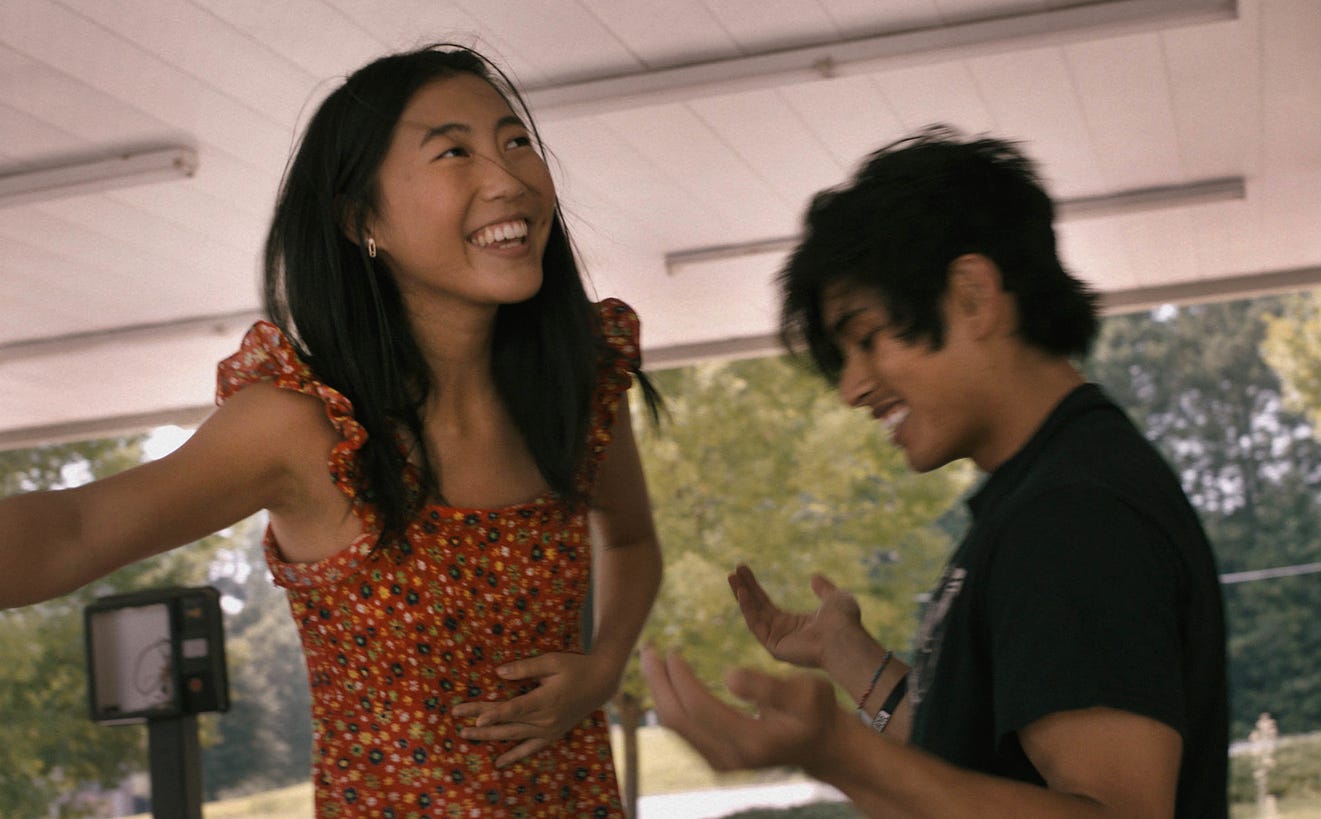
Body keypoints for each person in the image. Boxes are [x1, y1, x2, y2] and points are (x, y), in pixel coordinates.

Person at [0, 44, 662, 817]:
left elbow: (633, 541)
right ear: (360, 220)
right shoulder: (305, 428)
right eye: (454, 151)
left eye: (517, 141)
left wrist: (606, 662)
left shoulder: (573, 385)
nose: (508, 177)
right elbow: (72, 529)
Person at [642, 129, 1228, 818]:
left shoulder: (1071, 516)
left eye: (866, 339)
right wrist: (852, 659)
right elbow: (984, 770)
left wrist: (838, 750)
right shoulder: (1046, 494)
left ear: (975, 295)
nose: (852, 388)